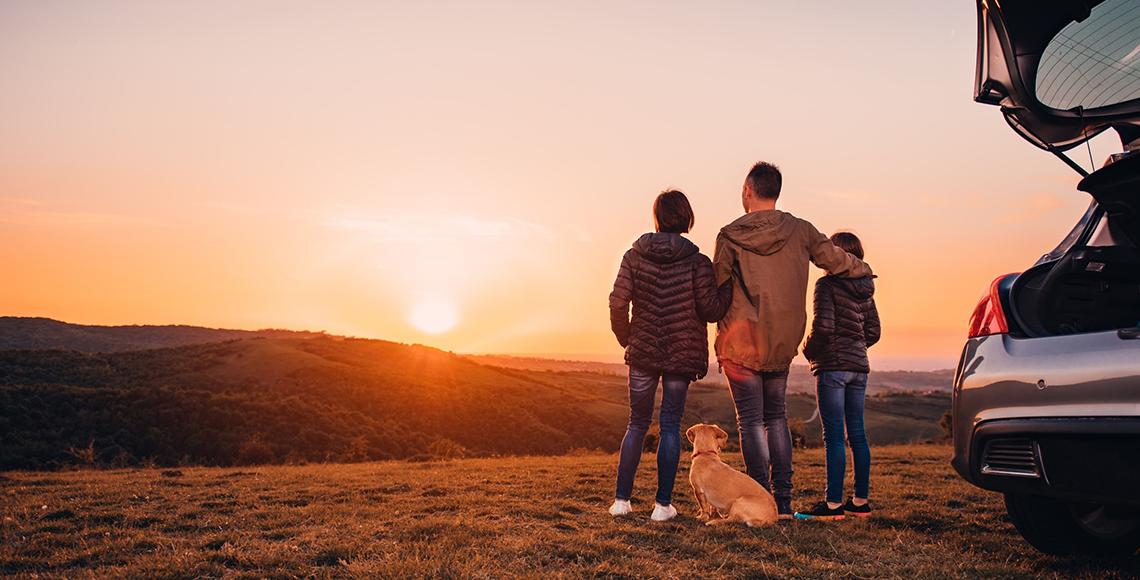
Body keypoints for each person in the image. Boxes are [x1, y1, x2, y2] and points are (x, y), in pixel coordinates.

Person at [714, 162, 871, 520]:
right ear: (777, 191)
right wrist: (865, 271)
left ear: (747, 191)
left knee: (751, 422)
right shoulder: (801, 230)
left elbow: (717, 288)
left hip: (741, 343)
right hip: (783, 340)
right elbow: (836, 260)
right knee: (776, 418)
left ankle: (760, 499)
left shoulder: (730, 235)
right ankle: (782, 503)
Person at [608, 189, 732, 522]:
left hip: (643, 353)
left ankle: (622, 501)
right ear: (686, 218)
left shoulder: (633, 257)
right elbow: (710, 310)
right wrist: (728, 286)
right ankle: (662, 506)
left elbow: (618, 302)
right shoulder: (698, 262)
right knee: (670, 426)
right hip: (680, 354)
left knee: (636, 423)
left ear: (657, 218)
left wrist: (628, 339)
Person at [795, 232, 881, 520]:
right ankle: (860, 502)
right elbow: (873, 332)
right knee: (856, 433)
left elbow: (824, 327)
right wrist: (854, 349)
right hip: (859, 367)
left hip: (832, 366)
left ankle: (832, 505)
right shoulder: (866, 288)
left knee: (833, 436)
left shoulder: (827, 285)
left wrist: (808, 351)